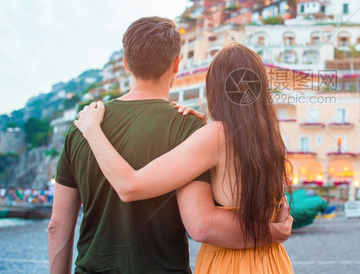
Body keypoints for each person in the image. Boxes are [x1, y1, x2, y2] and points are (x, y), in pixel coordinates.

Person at [48, 17, 292, 274]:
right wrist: (274, 231)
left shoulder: (82, 129)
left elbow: (58, 226)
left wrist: (92, 130)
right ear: (176, 64)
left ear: (126, 63)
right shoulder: (253, 138)